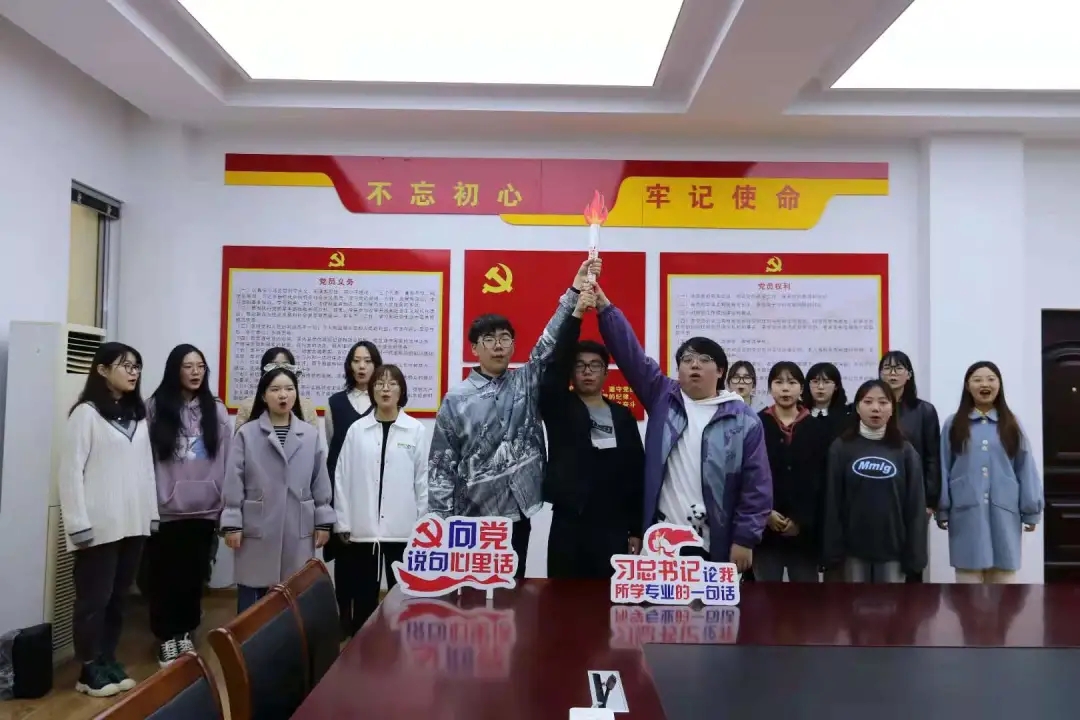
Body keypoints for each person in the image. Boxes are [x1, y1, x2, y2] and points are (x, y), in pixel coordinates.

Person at [428, 259, 598, 577]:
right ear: (474, 348)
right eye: (489, 339)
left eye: (505, 338)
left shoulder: (525, 382)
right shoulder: (456, 399)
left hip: (519, 512)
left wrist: (575, 290)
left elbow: (549, 342)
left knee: (513, 588)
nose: (498, 346)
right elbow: (441, 465)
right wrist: (440, 521)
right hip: (472, 518)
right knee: (473, 591)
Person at [593, 283, 772, 571]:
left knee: (707, 602)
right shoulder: (663, 397)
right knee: (659, 602)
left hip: (714, 543)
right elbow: (630, 355)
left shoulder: (743, 419)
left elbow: (757, 485)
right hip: (661, 540)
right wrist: (605, 308)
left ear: (721, 371)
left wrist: (745, 538)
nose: (694, 365)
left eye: (704, 360)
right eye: (687, 360)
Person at [58, 342, 157, 697]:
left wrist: (152, 514)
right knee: (93, 600)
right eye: (125, 365)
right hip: (98, 527)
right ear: (101, 369)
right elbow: (70, 472)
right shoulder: (85, 414)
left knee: (118, 597)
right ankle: (88, 668)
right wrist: (77, 523)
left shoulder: (137, 416)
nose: (133, 372)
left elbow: (146, 470)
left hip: (133, 523)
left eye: (137, 366)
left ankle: (107, 658)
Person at [540, 286, 645, 578]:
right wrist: (576, 314)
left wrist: (636, 528)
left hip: (612, 525)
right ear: (571, 372)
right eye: (580, 366)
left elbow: (636, 472)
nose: (587, 371)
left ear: (605, 373)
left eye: (595, 366)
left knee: (608, 599)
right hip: (569, 522)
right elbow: (555, 365)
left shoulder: (622, 416)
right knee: (562, 598)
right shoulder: (559, 406)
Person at [221, 367, 335, 613]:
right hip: (257, 525)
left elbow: (320, 479)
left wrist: (323, 521)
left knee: (295, 595)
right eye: (275, 389)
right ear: (263, 396)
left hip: (298, 524)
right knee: (253, 598)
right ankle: (249, 639)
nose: (283, 395)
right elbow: (233, 480)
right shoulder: (247, 434)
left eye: (289, 389)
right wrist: (232, 523)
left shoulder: (309, 434)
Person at [145, 344, 230, 667]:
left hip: (205, 508)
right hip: (168, 510)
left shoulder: (216, 410)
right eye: (188, 366)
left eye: (200, 366)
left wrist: (223, 503)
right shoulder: (155, 407)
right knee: (165, 576)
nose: (196, 372)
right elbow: (146, 460)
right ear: (174, 370)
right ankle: (167, 636)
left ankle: (185, 632)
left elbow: (226, 458)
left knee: (194, 576)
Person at [334, 364, 427, 633]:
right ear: (372, 390)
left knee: (404, 598)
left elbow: (423, 481)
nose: (385, 389)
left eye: (392, 384)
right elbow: (342, 476)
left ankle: (402, 649)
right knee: (363, 600)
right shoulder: (357, 430)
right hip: (363, 532)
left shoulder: (416, 430)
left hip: (403, 531)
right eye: (379, 384)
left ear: (401, 391)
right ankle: (364, 650)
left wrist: (423, 524)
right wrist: (343, 521)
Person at [938, 361, 1043, 584]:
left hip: (1005, 515)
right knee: (967, 590)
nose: (984, 384)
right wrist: (942, 508)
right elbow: (943, 466)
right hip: (966, 515)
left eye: (991, 379)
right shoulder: (954, 424)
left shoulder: (1011, 424)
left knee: (1005, 590)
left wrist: (1031, 509)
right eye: (977, 380)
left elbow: (1025, 468)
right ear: (968, 386)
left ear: (999, 385)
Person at [822, 379, 927, 583]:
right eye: (868, 402)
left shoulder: (905, 450)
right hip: (851, 552)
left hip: (893, 552)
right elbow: (832, 502)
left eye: (883, 402)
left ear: (892, 408)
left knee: (890, 604)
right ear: (857, 408)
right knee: (853, 603)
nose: (876, 408)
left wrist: (915, 555)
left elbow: (915, 506)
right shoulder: (841, 448)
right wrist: (832, 551)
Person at [323, 340, 382, 632]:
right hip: (342, 490)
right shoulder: (335, 402)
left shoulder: (383, 401)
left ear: (376, 365)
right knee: (344, 557)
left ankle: (365, 620)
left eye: (368, 361)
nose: (362, 366)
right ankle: (343, 616)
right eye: (356, 360)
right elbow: (332, 442)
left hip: (374, 491)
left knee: (369, 559)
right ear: (349, 365)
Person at [754, 362, 825, 582]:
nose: (785, 388)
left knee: (806, 598)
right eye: (779, 382)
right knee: (765, 596)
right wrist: (765, 513)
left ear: (801, 388)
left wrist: (801, 519)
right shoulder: (755, 424)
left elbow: (821, 481)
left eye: (792, 382)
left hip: (804, 534)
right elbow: (748, 475)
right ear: (770, 388)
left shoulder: (817, 428)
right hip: (765, 532)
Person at [878, 350, 940, 583]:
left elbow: (932, 456)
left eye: (898, 368)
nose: (892, 374)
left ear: (909, 374)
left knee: (912, 558)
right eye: (887, 368)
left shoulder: (924, 411)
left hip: (915, 497)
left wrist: (930, 501)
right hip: (879, 495)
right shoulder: (869, 408)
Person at [234, 347, 319, 430]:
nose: (280, 371)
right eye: (274, 366)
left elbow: (314, 436)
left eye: (285, 366)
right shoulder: (247, 406)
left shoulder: (307, 405)